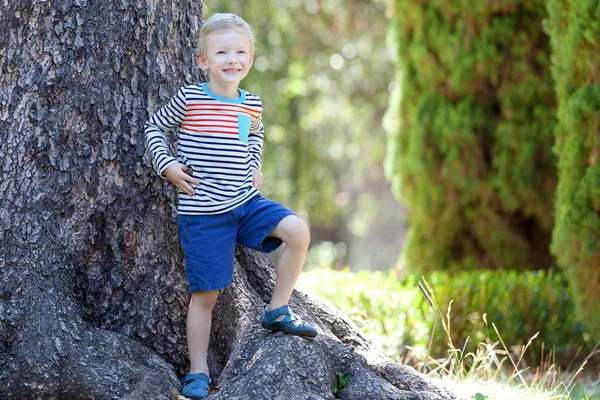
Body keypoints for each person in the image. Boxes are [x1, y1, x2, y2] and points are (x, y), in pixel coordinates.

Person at [144, 13, 317, 400]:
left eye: (240, 52)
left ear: (251, 60)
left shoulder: (251, 104)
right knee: (207, 294)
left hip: (246, 202)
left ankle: (278, 309)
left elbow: (254, 137)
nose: (231, 59)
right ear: (203, 60)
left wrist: (254, 166)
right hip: (204, 214)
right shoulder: (190, 98)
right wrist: (168, 165)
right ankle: (198, 372)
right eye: (221, 52)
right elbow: (154, 127)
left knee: (298, 232)